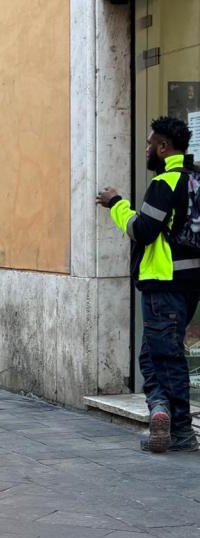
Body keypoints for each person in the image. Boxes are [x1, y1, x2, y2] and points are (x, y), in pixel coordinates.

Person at [98, 116, 200, 453]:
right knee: (151, 355)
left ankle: (179, 427)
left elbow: (142, 231)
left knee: (165, 358)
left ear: (163, 147)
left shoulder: (165, 184)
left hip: (162, 282)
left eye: (149, 144)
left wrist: (116, 205)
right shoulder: (195, 180)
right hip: (189, 284)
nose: (146, 150)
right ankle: (160, 410)